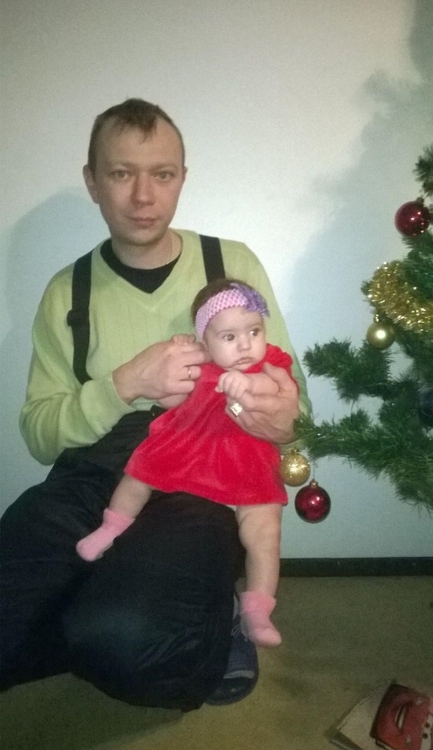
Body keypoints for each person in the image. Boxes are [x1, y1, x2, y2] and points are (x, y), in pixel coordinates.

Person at [0, 98, 311, 711]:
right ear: (93, 181)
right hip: (93, 475)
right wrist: (123, 383)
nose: (143, 196)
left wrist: (281, 421)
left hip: (200, 483)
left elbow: (296, 409)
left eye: (162, 174)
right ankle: (99, 604)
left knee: (127, 642)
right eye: (121, 173)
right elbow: (39, 435)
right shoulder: (68, 290)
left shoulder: (231, 264)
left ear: (182, 179)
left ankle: (174, 617)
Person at [77, 278, 298, 647]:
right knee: (139, 471)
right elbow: (168, 400)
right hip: (192, 444)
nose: (245, 345)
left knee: (265, 531)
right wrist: (177, 362)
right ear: (205, 342)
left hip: (248, 454)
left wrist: (247, 385)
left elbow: (276, 389)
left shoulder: (270, 362)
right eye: (229, 337)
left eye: (254, 331)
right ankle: (111, 527)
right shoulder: (201, 364)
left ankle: (257, 609)